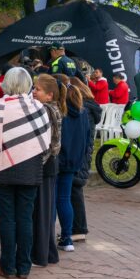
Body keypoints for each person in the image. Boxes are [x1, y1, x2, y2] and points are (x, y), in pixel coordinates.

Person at [0, 68, 51, 279]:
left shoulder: (0, 105)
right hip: (30, 169)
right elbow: (45, 138)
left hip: (3, 169)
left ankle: (8, 267)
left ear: (6, 83)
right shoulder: (38, 107)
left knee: (7, 218)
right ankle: (24, 267)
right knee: (25, 217)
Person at [62, 75, 101, 243]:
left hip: (78, 155)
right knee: (74, 191)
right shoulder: (88, 107)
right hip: (83, 153)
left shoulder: (82, 109)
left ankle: (78, 229)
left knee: (74, 191)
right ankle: (78, 228)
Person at [31, 75, 63, 267]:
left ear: (49, 95)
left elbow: (47, 143)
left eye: (38, 90)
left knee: (41, 212)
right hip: (50, 164)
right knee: (45, 211)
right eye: (34, 88)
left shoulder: (45, 110)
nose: (34, 92)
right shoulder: (53, 109)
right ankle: (48, 252)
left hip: (44, 164)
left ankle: (40, 254)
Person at [55, 83, 90, 253]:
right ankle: (67, 237)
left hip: (57, 161)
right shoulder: (83, 114)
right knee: (64, 199)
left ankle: (48, 237)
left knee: (53, 201)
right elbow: (87, 138)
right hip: (73, 162)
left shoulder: (60, 113)